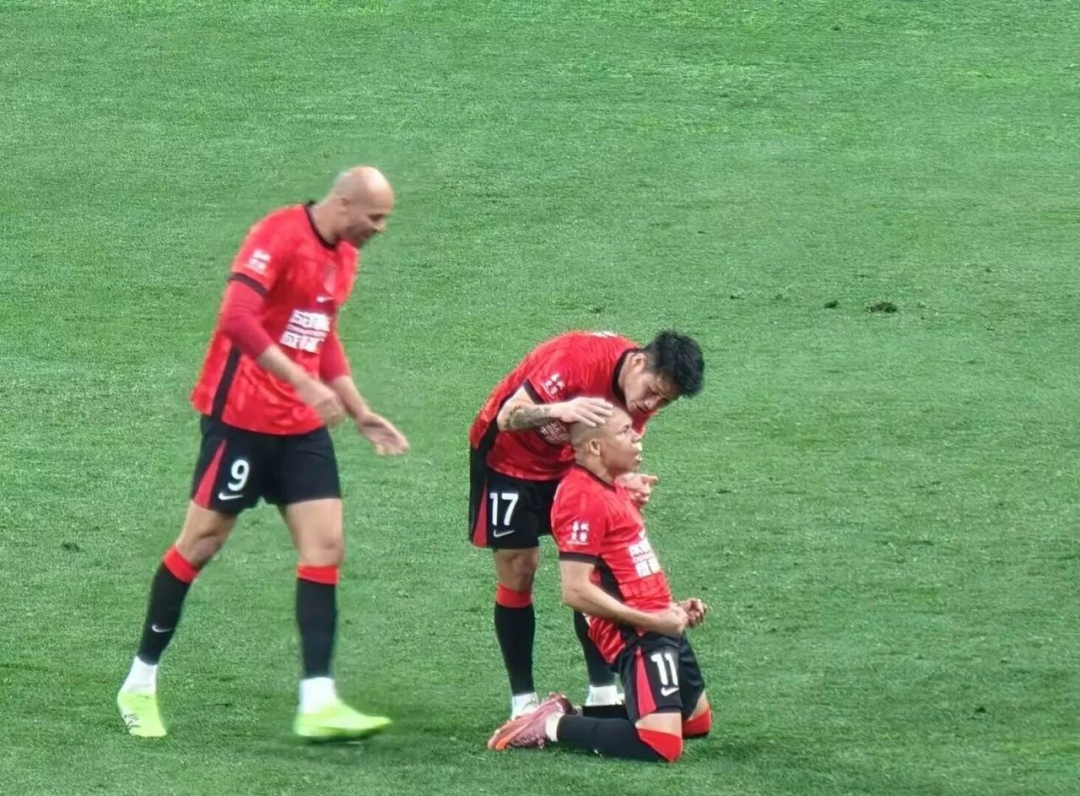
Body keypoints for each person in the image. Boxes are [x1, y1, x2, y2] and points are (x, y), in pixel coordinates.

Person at [116, 167, 410, 741]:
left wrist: (358, 409)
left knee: (326, 545)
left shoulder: (345, 257)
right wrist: (301, 381)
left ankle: (317, 702)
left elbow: (321, 334)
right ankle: (139, 681)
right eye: (375, 217)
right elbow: (236, 319)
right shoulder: (278, 235)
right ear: (344, 203)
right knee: (201, 543)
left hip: (300, 428)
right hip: (241, 421)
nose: (380, 228)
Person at [469, 330, 705, 718]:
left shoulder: (643, 397)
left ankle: (602, 692)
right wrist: (558, 410)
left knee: (594, 567)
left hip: (573, 464)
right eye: (653, 391)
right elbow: (508, 417)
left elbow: (615, 447)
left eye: (664, 401)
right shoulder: (576, 359)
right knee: (519, 569)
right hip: (509, 461)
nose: (651, 404)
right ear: (638, 363)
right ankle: (523, 704)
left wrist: (624, 480)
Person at [486, 406, 711, 762]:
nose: (637, 437)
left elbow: (628, 567)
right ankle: (551, 724)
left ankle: (574, 714)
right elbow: (575, 591)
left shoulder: (613, 485)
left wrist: (673, 607)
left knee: (694, 721)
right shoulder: (581, 499)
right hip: (636, 634)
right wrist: (652, 620)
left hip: (659, 621)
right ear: (594, 447)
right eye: (624, 432)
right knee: (662, 745)